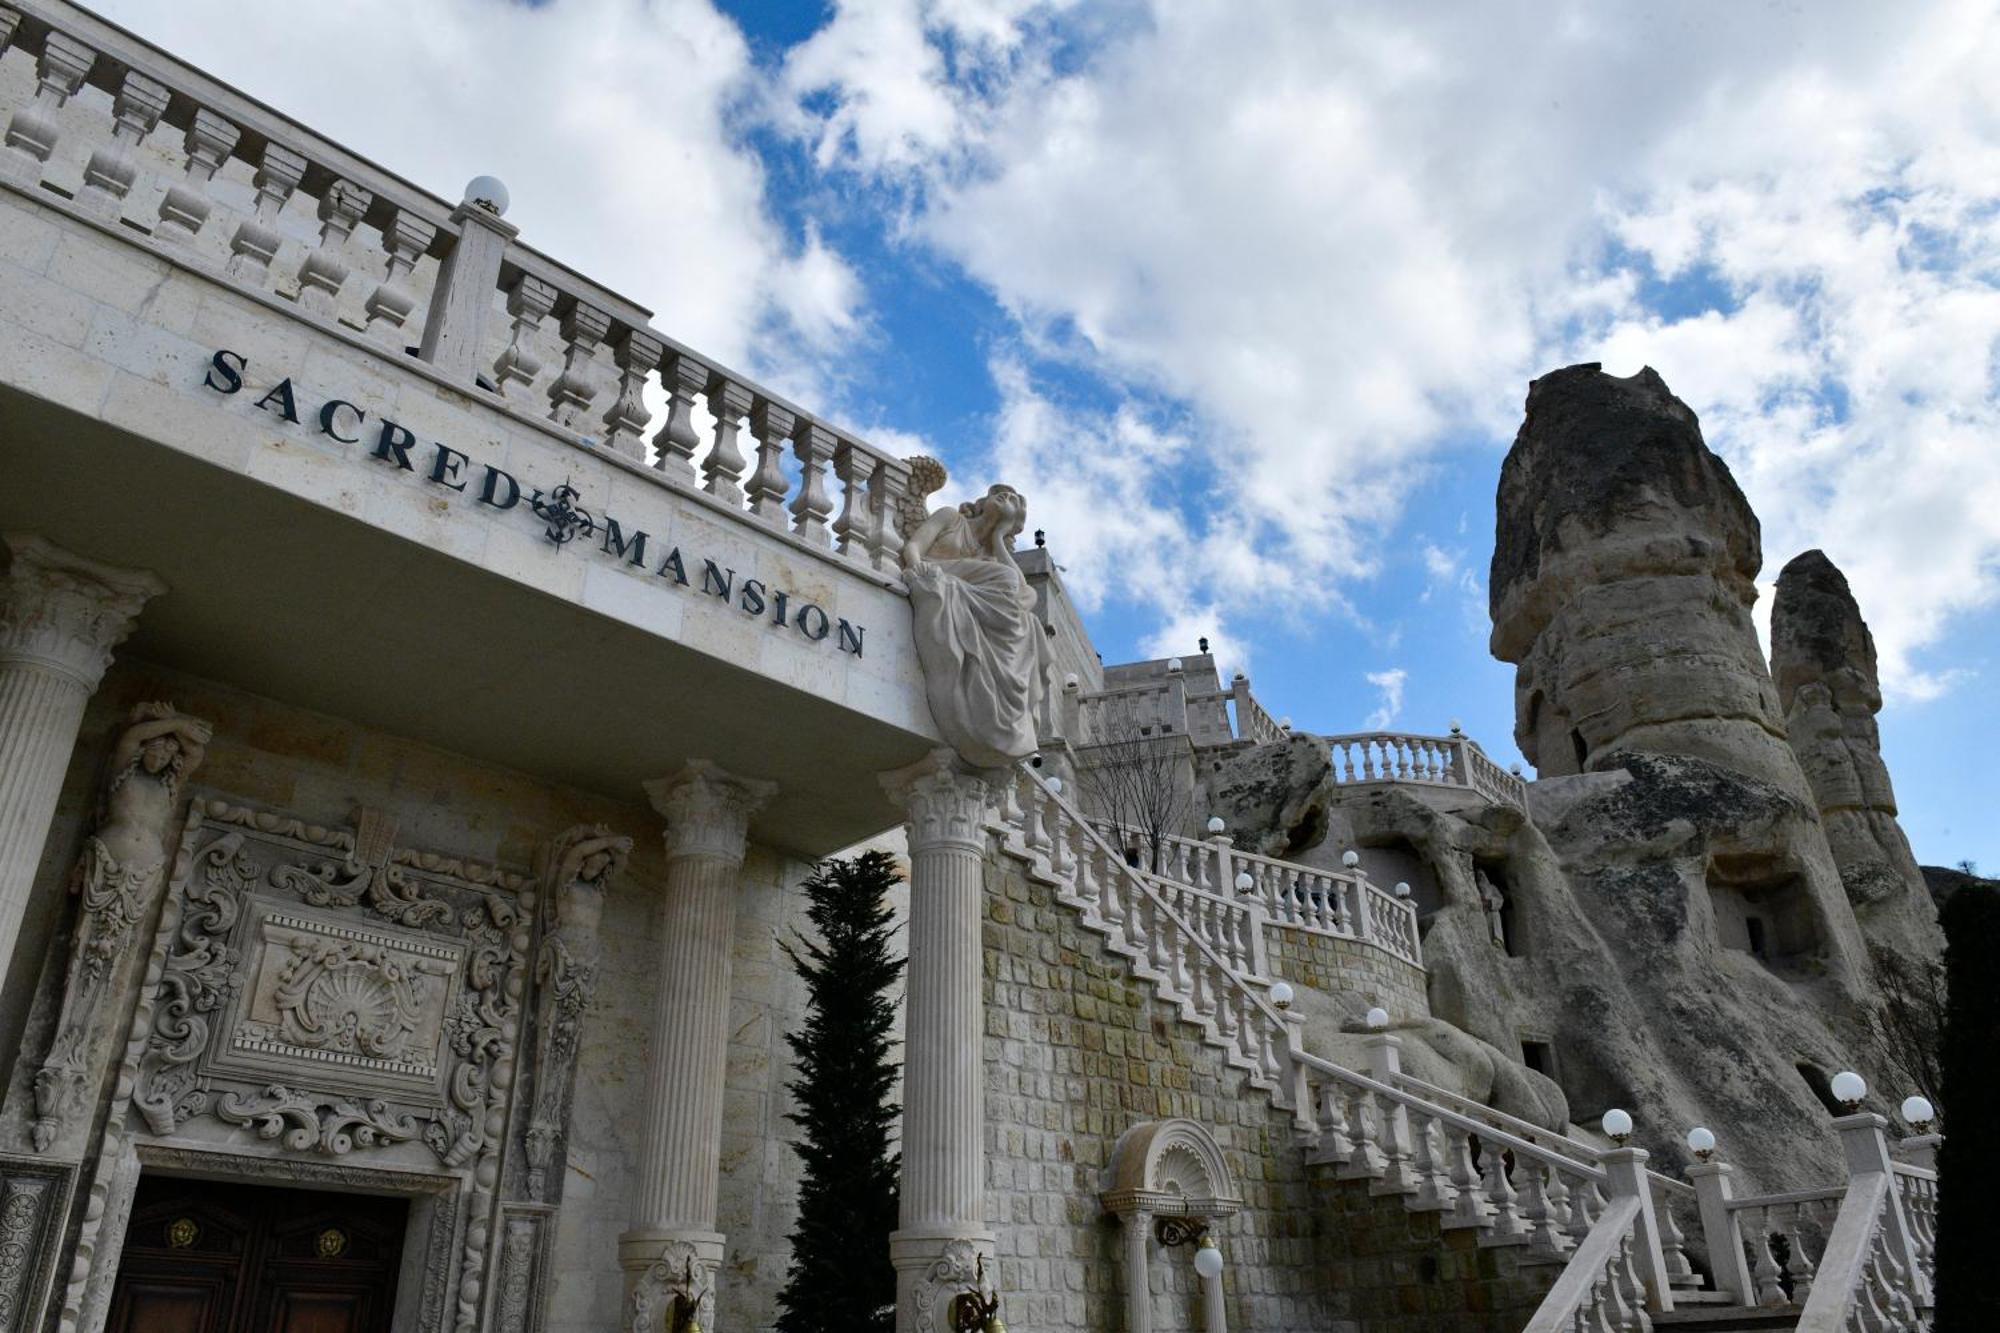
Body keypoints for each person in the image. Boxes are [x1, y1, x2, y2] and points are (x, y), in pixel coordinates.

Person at [900, 481, 1050, 768]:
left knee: (1021, 602)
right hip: (935, 570)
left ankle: (999, 704)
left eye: (1014, 500)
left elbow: (1023, 594)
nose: (1006, 497)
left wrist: (999, 536)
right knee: (1007, 582)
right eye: (1000, 494)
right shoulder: (950, 518)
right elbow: (914, 546)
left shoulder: (989, 553)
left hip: (965, 586)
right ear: (983, 501)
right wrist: (917, 568)